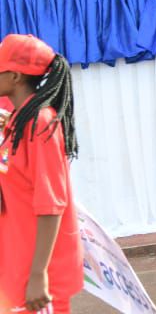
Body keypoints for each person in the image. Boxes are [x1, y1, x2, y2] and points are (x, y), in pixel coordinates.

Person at [0, 34, 83, 314]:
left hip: (35, 280)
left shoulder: (39, 123)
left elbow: (51, 204)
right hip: (16, 266)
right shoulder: (22, 121)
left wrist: (38, 274)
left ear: (14, 76)